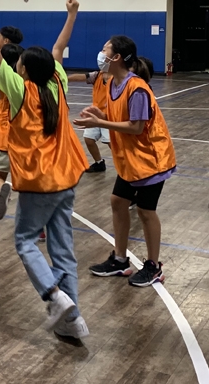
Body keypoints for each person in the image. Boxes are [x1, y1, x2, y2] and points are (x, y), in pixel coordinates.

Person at [0, 0, 89, 340]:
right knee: (63, 251)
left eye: (20, 62)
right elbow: (59, 47)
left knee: (24, 241)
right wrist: (72, 14)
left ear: (23, 70)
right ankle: (73, 322)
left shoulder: (21, 90)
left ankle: (54, 296)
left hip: (40, 180)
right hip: (67, 178)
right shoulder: (58, 82)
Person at [74, 37, 175, 288]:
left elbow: (136, 126)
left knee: (145, 211)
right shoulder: (112, 83)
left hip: (151, 159)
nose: (101, 53)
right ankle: (120, 260)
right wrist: (100, 114)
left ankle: (153, 267)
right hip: (131, 159)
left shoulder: (137, 88)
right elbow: (119, 115)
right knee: (118, 201)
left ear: (116, 57)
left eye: (105, 49)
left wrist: (99, 122)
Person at [0, 43, 23, 220]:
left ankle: (3, 187)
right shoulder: (22, 82)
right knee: (28, 185)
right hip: (22, 138)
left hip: (4, 138)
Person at [68, 50, 113, 174]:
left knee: (111, 143)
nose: (101, 53)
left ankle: (125, 163)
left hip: (110, 116)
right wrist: (65, 79)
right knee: (88, 139)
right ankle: (99, 163)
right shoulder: (97, 75)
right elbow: (82, 77)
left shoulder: (118, 78)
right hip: (95, 114)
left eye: (105, 51)